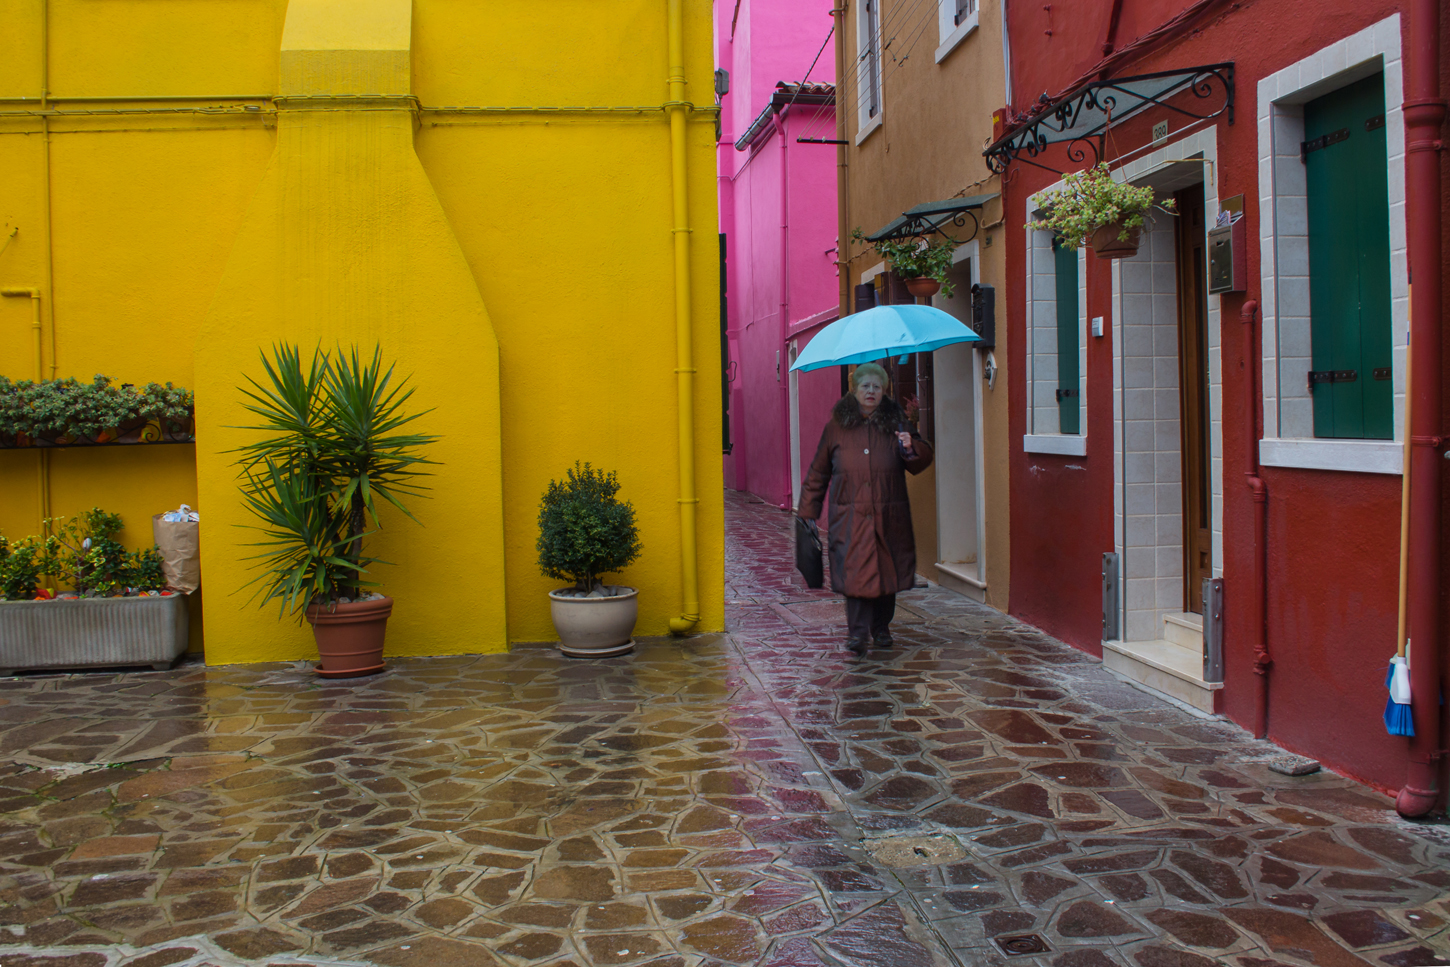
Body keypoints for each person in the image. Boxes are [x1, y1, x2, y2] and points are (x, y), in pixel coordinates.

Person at [797, 362, 933, 656]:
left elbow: (920, 461)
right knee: (856, 574)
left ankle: (881, 627)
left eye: (877, 386)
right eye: (865, 386)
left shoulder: (896, 420)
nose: (871, 391)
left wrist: (911, 446)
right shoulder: (837, 426)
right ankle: (857, 634)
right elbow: (819, 472)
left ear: (884, 391)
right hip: (850, 516)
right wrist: (807, 510)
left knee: (886, 572)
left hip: (889, 514)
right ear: (854, 389)